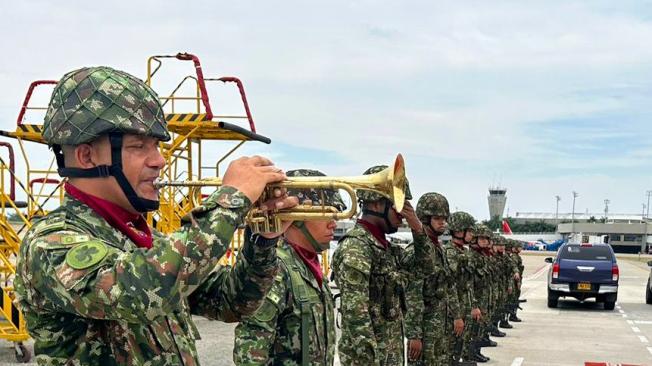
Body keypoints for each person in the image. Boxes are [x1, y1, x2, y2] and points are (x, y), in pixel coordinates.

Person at [14, 66, 296, 365]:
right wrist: (231, 199)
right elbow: (142, 291)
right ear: (87, 157)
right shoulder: (51, 242)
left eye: (158, 147)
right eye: (139, 146)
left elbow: (231, 302)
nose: (159, 160)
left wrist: (263, 240)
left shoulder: (139, 239)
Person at [233, 169, 345, 365]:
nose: (333, 224)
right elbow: (249, 357)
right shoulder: (275, 271)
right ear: (297, 216)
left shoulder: (309, 265)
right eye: (326, 214)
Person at [331, 165, 434, 366]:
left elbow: (427, 267)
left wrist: (417, 227)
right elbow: (356, 320)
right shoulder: (357, 247)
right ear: (377, 205)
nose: (403, 214)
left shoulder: (386, 248)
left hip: (389, 356)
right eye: (399, 206)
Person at [404, 192, 460, 366]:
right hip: (425, 330)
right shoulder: (416, 251)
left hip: (440, 326)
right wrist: (414, 335)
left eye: (444, 218)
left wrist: (456, 316)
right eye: (437, 218)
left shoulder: (438, 248)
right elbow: (413, 295)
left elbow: (448, 286)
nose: (443, 222)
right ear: (425, 219)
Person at [445, 211, 479, 366]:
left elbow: (468, 285)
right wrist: (456, 316)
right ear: (459, 231)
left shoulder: (463, 252)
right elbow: (450, 286)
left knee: (458, 346)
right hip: (453, 312)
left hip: (464, 306)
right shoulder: (450, 253)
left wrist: (473, 306)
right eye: (470, 231)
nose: (472, 235)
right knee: (449, 350)